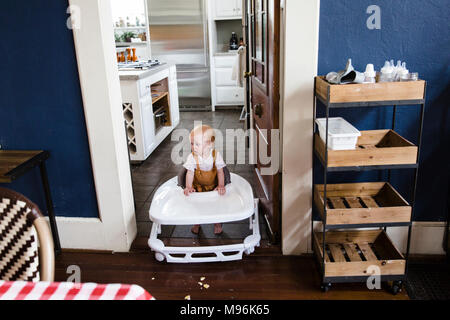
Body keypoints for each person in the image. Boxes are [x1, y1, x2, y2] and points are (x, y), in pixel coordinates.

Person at [183, 125, 226, 235]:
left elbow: (221, 172)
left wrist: (221, 185)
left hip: (213, 186)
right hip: (198, 187)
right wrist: (189, 187)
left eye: (197, 144)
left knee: (216, 206)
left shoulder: (216, 155)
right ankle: (197, 223)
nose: (193, 147)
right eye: (192, 144)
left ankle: (217, 223)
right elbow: (190, 172)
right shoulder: (192, 157)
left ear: (209, 144)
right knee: (197, 206)